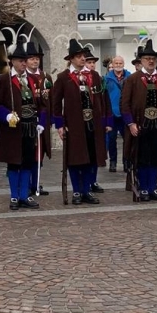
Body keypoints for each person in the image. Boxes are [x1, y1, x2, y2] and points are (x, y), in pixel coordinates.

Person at [51, 39, 109, 205]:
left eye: (83, 56)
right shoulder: (63, 77)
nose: (83, 59)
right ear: (71, 59)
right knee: (76, 159)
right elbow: (56, 104)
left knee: (92, 158)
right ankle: (76, 190)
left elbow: (101, 100)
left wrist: (105, 121)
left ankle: (86, 190)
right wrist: (60, 125)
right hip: (74, 125)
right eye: (78, 56)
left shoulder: (94, 76)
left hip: (93, 123)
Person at [0, 39, 42, 209]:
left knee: (28, 161)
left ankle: (24, 195)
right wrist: (5, 116)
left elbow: (40, 103)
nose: (23, 63)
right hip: (13, 128)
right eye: (20, 61)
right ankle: (14, 196)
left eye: (25, 60)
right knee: (14, 162)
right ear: (12, 61)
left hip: (30, 128)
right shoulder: (4, 80)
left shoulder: (33, 80)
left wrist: (41, 122)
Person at [121, 41, 157, 201]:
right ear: (141, 61)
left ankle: (152, 186)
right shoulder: (133, 79)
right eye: (148, 58)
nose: (151, 61)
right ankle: (143, 187)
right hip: (140, 125)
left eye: (153, 59)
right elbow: (125, 103)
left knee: (155, 156)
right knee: (142, 157)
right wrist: (130, 123)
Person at [24, 40, 52, 197]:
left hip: (42, 120)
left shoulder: (45, 77)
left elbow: (51, 98)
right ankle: (27, 184)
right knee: (28, 153)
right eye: (32, 58)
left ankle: (36, 183)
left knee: (39, 154)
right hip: (28, 121)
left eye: (37, 58)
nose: (35, 61)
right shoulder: (24, 77)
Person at [84, 48, 106, 193]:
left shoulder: (97, 76)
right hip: (82, 120)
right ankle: (84, 182)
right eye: (89, 62)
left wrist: (106, 120)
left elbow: (103, 99)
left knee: (95, 152)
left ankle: (93, 180)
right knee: (84, 153)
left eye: (93, 62)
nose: (92, 65)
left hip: (96, 119)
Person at [105, 55, 129, 173]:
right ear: (112, 65)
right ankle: (113, 162)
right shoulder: (107, 79)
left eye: (120, 63)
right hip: (112, 113)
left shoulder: (129, 77)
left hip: (125, 113)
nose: (118, 65)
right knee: (111, 139)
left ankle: (126, 162)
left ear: (123, 64)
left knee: (127, 140)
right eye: (116, 63)